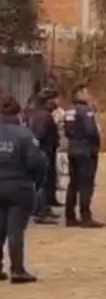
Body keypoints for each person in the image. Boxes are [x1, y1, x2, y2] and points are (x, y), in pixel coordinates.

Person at [0, 94, 46, 283]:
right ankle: (17, 270)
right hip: (19, 187)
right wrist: (37, 183)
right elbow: (38, 162)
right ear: (18, 114)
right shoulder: (25, 135)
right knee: (15, 229)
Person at [63, 83, 103, 228]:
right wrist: (96, 144)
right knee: (86, 184)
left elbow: (67, 131)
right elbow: (91, 130)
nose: (89, 95)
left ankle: (70, 216)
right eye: (86, 92)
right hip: (86, 150)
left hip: (72, 149)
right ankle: (86, 216)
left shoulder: (69, 110)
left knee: (73, 184)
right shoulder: (85, 111)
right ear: (79, 94)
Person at [26, 88, 60, 225]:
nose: (57, 102)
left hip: (46, 150)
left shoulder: (37, 114)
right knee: (44, 182)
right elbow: (39, 134)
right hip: (44, 151)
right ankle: (41, 212)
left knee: (47, 181)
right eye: (54, 99)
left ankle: (44, 208)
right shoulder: (43, 116)